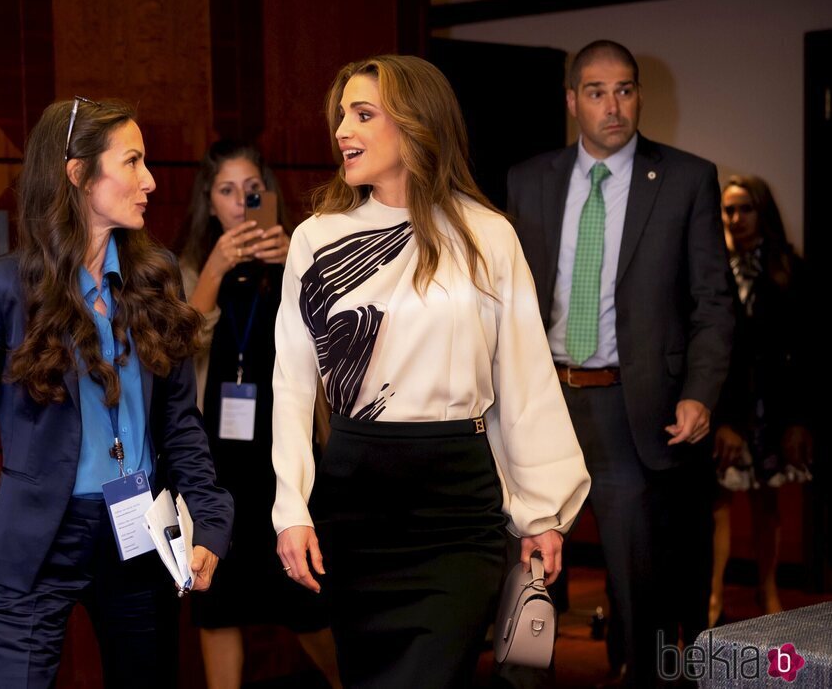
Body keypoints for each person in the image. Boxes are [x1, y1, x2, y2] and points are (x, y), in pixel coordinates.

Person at [272, 54, 591, 688]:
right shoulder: (317, 237)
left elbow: (523, 381)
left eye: (363, 114)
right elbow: (293, 384)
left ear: (416, 125)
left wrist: (540, 513)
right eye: (341, 115)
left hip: (457, 505)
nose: (343, 130)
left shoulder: (487, 235)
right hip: (356, 499)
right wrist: (291, 507)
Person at [0, 97, 234, 687]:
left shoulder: (155, 273)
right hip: (37, 544)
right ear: (78, 174)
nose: (150, 181)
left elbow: (179, 420)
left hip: (138, 538)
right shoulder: (2, 288)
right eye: (132, 162)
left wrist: (209, 515)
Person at [506, 40, 733, 686]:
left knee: (639, 579)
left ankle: (645, 672)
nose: (615, 105)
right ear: (572, 100)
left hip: (629, 407)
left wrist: (700, 391)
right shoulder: (529, 180)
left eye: (626, 89)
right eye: (598, 91)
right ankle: (524, 677)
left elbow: (713, 301)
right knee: (529, 563)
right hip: (543, 400)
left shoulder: (686, 178)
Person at [175, 140, 341, 689]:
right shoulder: (189, 267)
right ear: (210, 201)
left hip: (284, 463)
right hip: (214, 467)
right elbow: (175, 347)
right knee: (215, 602)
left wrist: (299, 260)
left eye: (252, 190)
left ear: (267, 195)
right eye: (227, 190)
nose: (240, 202)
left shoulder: (300, 259)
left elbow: (340, 338)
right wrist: (217, 269)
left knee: (306, 599)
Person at [709, 175, 813, 626]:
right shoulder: (710, 268)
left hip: (773, 407)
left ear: (761, 212)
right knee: (717, 504)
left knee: (768, 504)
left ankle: (767, 591)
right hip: (725, 408)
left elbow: (807, 352)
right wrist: (721, 420)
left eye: (744, 208)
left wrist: (799, 420)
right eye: (729, 209)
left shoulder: (789, 269)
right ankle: (711, 601)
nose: (735, 219)